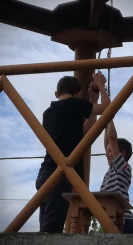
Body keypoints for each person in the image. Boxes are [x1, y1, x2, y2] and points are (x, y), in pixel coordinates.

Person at [36, 72, 110, 233]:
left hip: (44, 174)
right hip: (61, 176)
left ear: (56, 94)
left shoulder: (47, 113)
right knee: (51, 233)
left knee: (45, 229)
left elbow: (85, 132)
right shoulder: (75, 104)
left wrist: (93, 100)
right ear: (78, 94)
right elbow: (107, 109)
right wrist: (101, 85)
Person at [100, 120, 133, 234]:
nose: (106, 154)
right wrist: (105, 125)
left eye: (110, 151)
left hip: (123, 220)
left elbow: (112, 138)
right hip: (110, 218)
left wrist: (109, 116)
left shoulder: (122, 167)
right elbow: (108, 142)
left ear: (122, 153)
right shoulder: (111, 170)